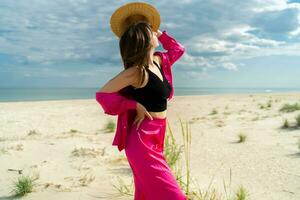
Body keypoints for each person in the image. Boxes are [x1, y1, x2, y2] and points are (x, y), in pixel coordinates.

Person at [95, 2, 186, 199]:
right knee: (175, 196)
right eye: (151, 31)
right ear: (144, 38)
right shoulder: (135, 72)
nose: (155, 32)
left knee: (146, 194)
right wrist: (132, 104)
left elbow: (178, 49)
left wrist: (160, 33)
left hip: (158, 135)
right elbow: (102, 95)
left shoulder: (160, 61)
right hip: (141, 140)